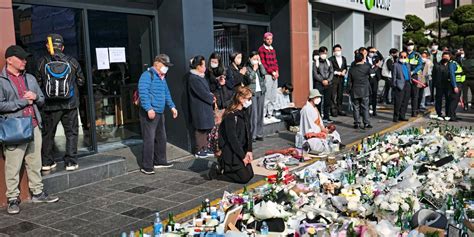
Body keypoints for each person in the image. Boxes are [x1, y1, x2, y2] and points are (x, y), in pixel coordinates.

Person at [1, 45, 59, 215]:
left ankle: (38, 193)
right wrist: (23, 102)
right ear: (9, 60)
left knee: (35, 163)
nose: (24, 61)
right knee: (13, 166)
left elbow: (41, 99)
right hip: (14, 128)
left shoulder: (31, 78)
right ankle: (12, 199)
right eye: (21, 58)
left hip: (33, 125)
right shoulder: (1, 80)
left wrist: (35, 97)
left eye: (25, 58)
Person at [36, 34, 85, 171]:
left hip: (50, 106)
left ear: (48, 46)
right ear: (62, 47)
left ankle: (46, 162)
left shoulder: (42, 62)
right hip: (70, 104)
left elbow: (37, 82)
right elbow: (81, 81)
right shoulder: (72, 61)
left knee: (48, 134)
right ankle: (71, 162)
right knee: (71, 133)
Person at [138, 54, 178, 175]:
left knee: (161, 138)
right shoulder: (147, 75)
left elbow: (166, 93)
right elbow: (143, 93)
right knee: (149, 139)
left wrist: (172, 106)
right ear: (158, 63)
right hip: (149, 113)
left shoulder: (162, 77)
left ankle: (160, 160)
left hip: (160, 113)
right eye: (165, 65)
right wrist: (149, 108)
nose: (167, 68)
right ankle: (147, 165)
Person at [207, 86, 254, 184]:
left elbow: (248, 132)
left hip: (241, 149)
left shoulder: (244, 112)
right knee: (244, 178)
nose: (250, 101)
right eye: (248, 98)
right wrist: (242, 156)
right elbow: (232, 139)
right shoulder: (231, 116)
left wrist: (249, 150)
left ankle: (228, 169)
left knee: (250, 174)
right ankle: (218, 172)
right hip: (230, 151)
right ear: (241, 99)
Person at [189, 55, 216, 158]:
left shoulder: (200, 77)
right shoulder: (194, 78)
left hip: (205, 106)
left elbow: (206, 91)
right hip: (199, 107)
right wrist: (211, 98)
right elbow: (202, 93)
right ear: (198, 66)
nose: (205, 67)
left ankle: (205, 147)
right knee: (200, 128)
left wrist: (211, 96)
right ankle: (199, 149)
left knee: (205, 128)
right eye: (203, 65)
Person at [298, 89, 341, 154]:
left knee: (334, 133)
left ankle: (336, 144)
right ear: (312, 98)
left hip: (318, 130)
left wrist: (323, 129)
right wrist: (319, 132)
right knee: (316, 141)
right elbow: (308, 126)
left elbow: (319, 122)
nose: (319, 99)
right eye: (317, 97)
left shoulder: (314, 107)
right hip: (311, 133)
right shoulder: (306, 109)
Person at [244, 51, 267, 142]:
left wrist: (260, 64)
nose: (255, 61)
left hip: (261, 92)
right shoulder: (246, 68)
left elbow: (264, 73)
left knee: (260, 113)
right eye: (254, 59)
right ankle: (252, 135)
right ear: (250, 59)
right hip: (252, 93)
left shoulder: (259, 66)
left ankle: (259, 133)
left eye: (257, 59)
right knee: (253, 114)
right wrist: (253, 69)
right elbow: (249, 79)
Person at [258, 32, 280, 122]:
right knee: (267, 95)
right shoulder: (262, 49)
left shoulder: (272, 49)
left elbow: (275, 62)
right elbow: (263, 64)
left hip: (274, 74)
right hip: (267, 74)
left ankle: (270, 114)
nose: (269, 41)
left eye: (271, 39)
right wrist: (272, 72)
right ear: (264, 39)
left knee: (273, 95)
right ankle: (263, 115)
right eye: (268, 39)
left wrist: (277, 72)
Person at [347, 53, 372, 129]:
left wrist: (348, 90)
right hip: (364, 90)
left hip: (355, 90)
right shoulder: (367, 67)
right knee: (365, 107)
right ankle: (366, 123)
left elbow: (349, 81)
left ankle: (357, 123)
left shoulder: (351, 69)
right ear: (362, 59)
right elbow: (371, 75)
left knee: (356, 107)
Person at [313, 47, 334, 123]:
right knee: (318, 101)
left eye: (325, 53)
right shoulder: (316, 63)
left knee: (327, 101)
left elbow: (331, 72)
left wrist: (328, 80)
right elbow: (315, 74)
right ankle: (318, 116)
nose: (324, 55)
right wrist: (322, 80)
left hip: (328, 84)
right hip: (319, 84)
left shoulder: (329, 62)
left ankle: (326, 116)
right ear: (319, 53)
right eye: (322, 53)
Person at [434, 52, 455, 120]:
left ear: (449, 58)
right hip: (439, 85)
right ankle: (439, 113)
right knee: (438, 100)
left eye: (447, 57)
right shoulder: (437, 65)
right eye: (444, 57)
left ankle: (447, 114)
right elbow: (433, 75)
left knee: (448, 100)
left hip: (448, 85)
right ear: (442, 57)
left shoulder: (451, 65)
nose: (445, 58)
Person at [391, 51, 412, 122]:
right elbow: (393, 76)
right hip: (399, 85)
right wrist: (394, 85)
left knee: (405, 101)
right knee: (398, 102)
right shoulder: (395, 65)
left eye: (404, 57)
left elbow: (409, 74)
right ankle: (395, 117)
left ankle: (402, 116)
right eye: (401, 57)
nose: (403, 58)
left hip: (407, 83)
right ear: (399, 57)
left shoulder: (407, 64)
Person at [328, 44, 347, 116]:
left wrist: (344, 71)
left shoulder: (344, 58)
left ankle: (340, 109)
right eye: (336, 50)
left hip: (341, 79)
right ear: (333, 51)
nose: (337, 52)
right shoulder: (331, 59)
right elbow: (330, 69)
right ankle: (333, 110)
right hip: (334, 79)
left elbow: (345, 67)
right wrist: (337, 72)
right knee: (333, 95)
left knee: (340, 94)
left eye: (339, 50)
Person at [406, 40, 423, 117]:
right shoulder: (403, 54)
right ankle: (403, 111)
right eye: (408, 44)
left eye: (411, 44)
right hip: (405, 76)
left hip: (414, 76)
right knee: (405, 94)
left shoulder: (417, 55)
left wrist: (413, 71)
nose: (410, 46)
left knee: (415, 94)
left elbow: (420, 65)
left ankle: (414, 111)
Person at [448, 52, 464, 121]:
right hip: (456, 84)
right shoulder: (452, 64)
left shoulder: (455, 63)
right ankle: (452, 116)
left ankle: (453, 114)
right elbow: (452, 75)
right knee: (454, 100)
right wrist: (455, 86)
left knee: (456, 100)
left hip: (458, 83)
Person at [367, 48, 383, 116]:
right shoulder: (365, 59)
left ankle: (374, 110)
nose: (372, 53)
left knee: (374, 93)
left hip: (375, 78)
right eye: (371, 52)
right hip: (368, 78)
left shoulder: (375, 58)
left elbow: (381, 58)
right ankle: (368, 108)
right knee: (368, 94)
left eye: (373, 52)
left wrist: (377, 51)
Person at [429, 40, 442, 105]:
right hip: (431, 72)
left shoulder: (441, 53)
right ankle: (431, 99)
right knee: (431, 86)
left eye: (435, 45)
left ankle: (438, 99)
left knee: (438, 86)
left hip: (438, 72)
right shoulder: (429, 53)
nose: (434, 46)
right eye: (433, 45)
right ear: (431, 46)